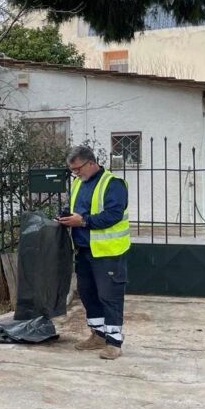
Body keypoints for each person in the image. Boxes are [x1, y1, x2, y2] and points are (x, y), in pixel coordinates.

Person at [57, 145, 130, 360]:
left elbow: (113, 215)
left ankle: (114, 342)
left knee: (110, 297)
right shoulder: (79, 184)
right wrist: (66, 218)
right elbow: (78, 211)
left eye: (78, 168)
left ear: (91, 163)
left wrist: (84, 221)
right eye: (73, 170)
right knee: (88, 294)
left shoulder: (113, 184)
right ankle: (98, 335)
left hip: (108, 252)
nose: (76, 173)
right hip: (84, 250)